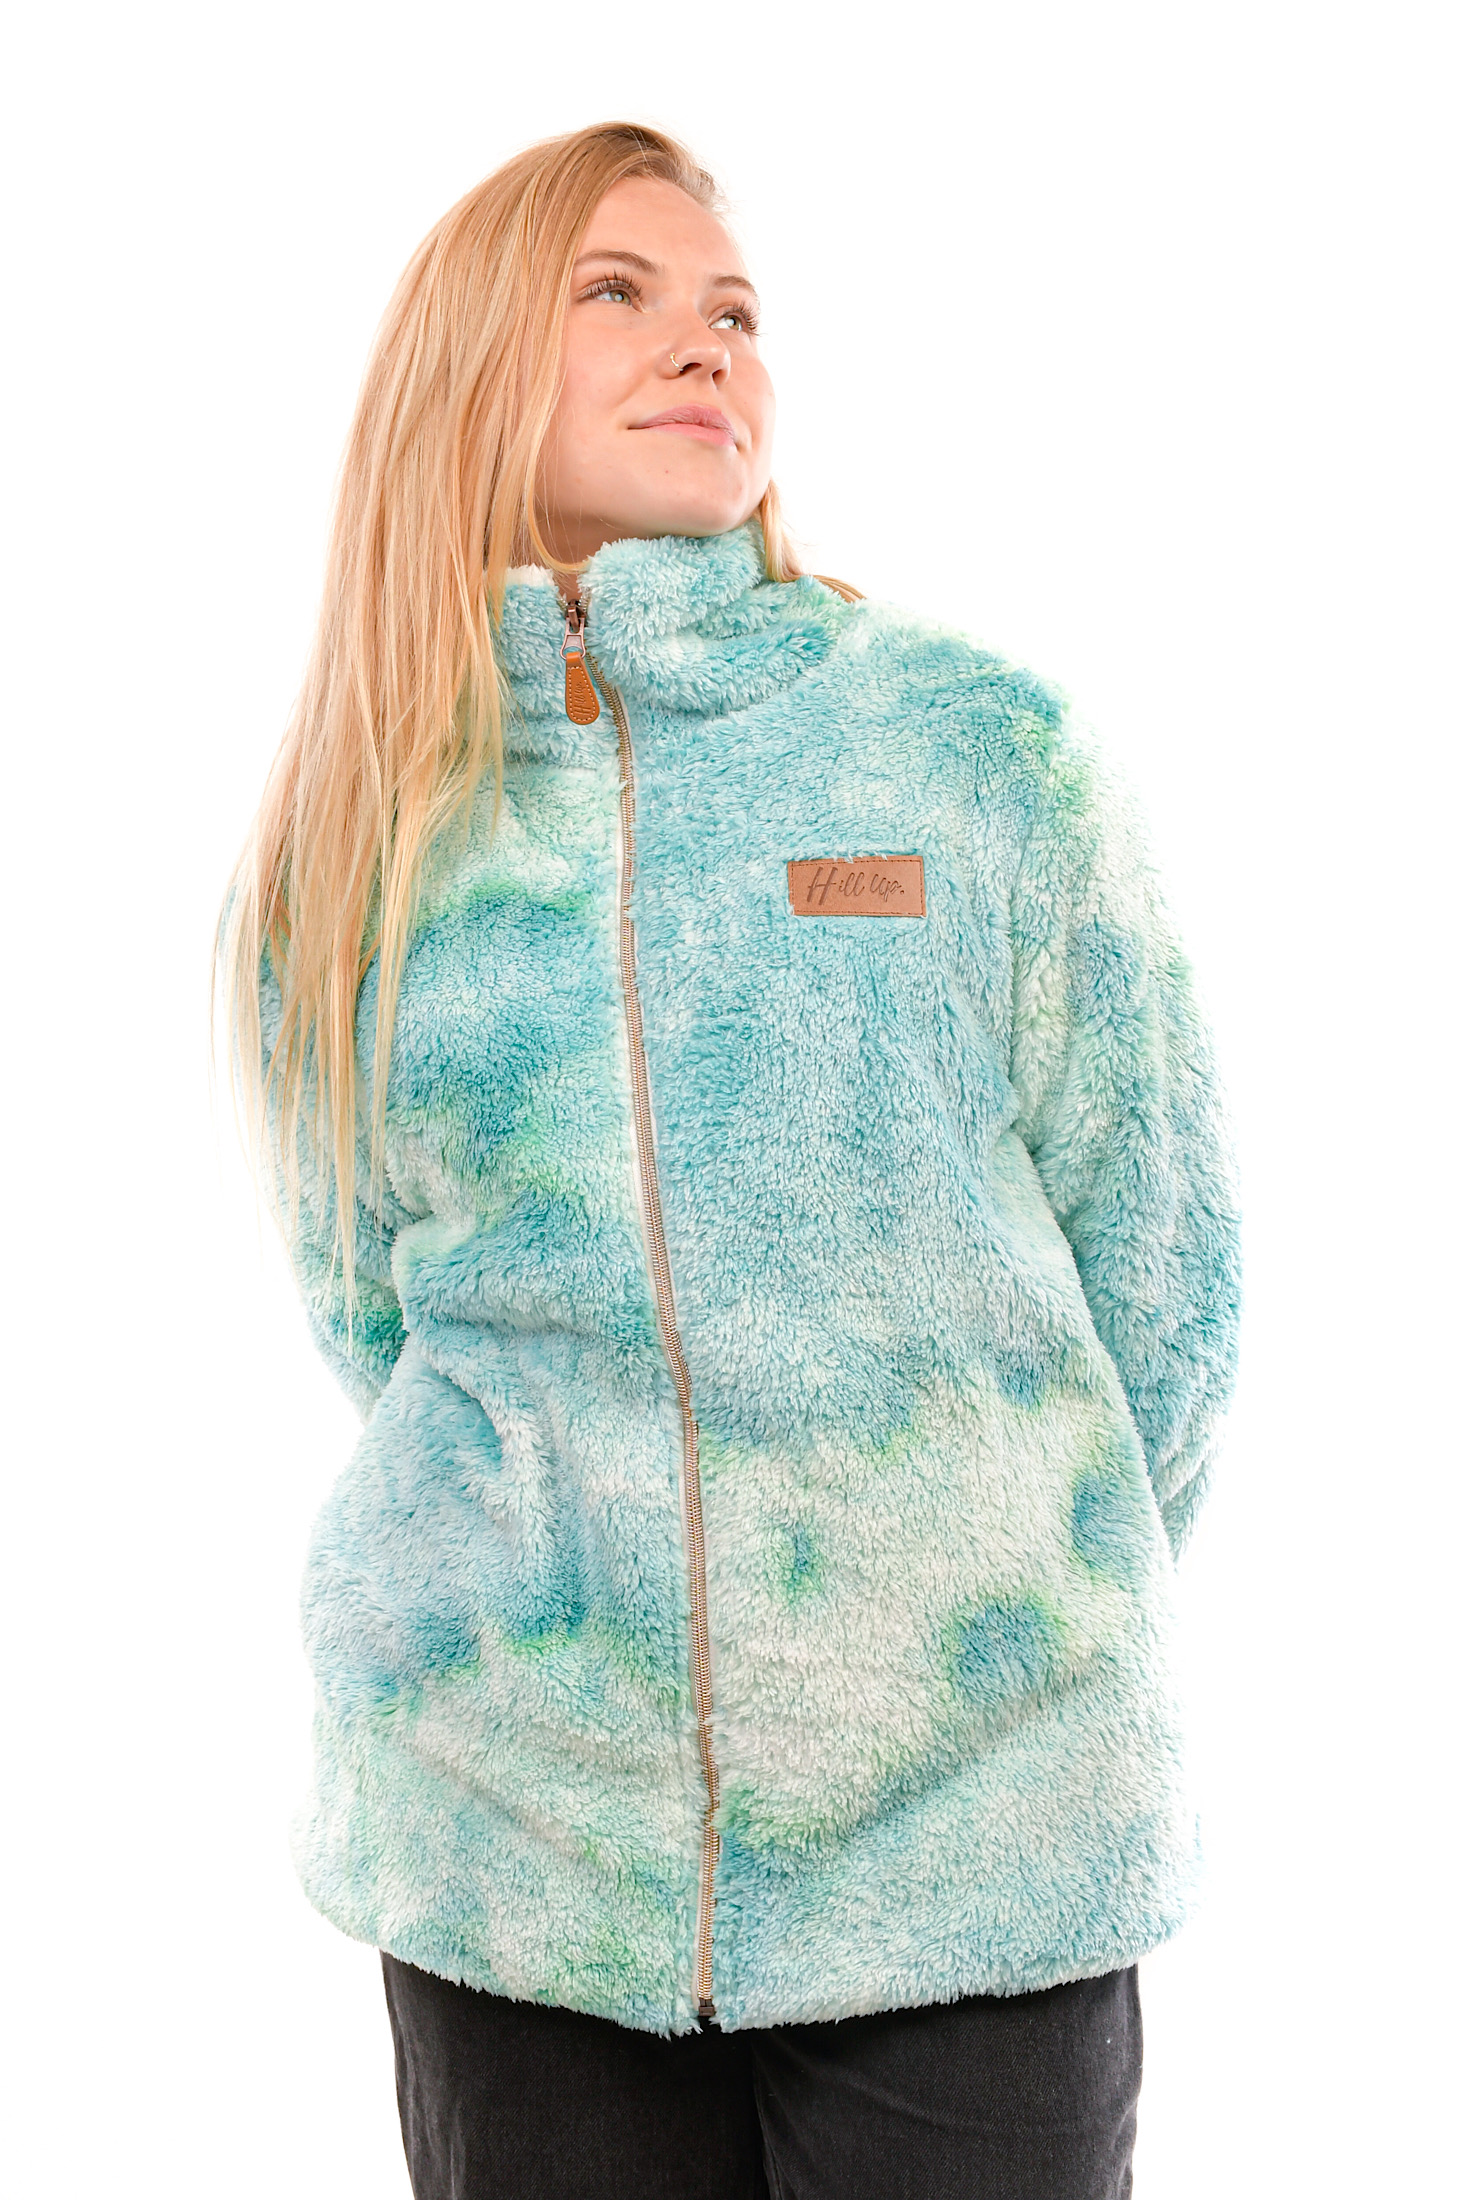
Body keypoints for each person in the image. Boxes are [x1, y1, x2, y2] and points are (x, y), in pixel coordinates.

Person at [221, 120, 1241, 2200]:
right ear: (465, 360)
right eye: (617, 291)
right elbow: (376, 1312)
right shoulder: (359, 842)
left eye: (736, 311)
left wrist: (982, 1600)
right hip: (516, 1856)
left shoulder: (974, 755)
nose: (706, 347)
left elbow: (1166, 1276)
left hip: (972, 1845)